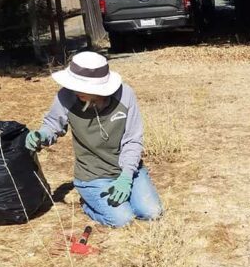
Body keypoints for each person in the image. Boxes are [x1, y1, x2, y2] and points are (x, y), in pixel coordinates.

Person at [26, 51, 163, 227]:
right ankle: (89, 204)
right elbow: (53, 124)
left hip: (127, 171)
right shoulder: (66, 96)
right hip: (93, 175)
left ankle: (124, 192)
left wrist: (127, 176)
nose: (76, 91)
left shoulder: (125, 95)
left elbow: (132, 140)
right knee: (123, 220)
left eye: (81, 87)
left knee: (152, 213)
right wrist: (42, 135)